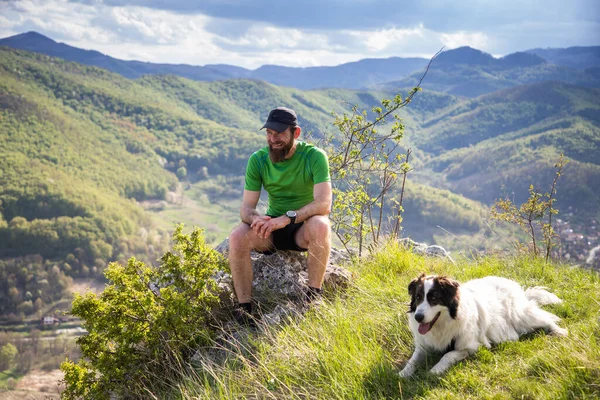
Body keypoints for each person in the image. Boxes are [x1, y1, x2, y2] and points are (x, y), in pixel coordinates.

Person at [228, 106, 332, 320]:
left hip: (301, 228)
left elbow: (324, 204)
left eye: (279, 134)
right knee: (238, 237)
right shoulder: (258, 160)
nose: (273, 139)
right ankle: (244, 312)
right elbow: (246, 208)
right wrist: (257, 219)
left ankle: (313, 298)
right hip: (272, 229)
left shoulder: (314, 157)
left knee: (321, 225)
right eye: (269, 133)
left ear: (296, 133)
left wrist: (288, 218)